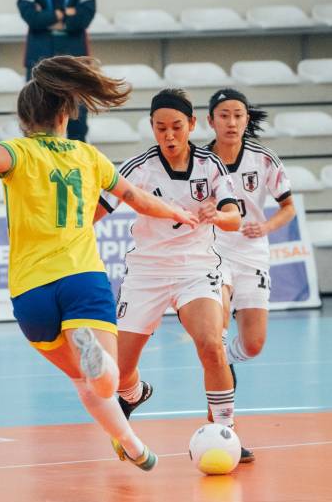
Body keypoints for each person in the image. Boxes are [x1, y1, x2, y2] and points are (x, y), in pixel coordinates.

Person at [0, 56, 198, 470]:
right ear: (66, 113)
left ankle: (132, 446)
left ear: (25, 118)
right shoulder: (87, 156)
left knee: (81, 380)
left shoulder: (18, 154)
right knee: (102, 379)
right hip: (82, 278)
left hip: (30, 290)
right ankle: (101, 367)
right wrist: (176, 212)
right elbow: (135, 198)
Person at [94, 88, 248, 461]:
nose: (169, 135)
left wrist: (218, 216)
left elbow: (234, 217)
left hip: (196, 268)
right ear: (152, 127)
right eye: (160, 127)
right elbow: (98, 209)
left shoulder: (211, 165)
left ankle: (225, 429)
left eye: (177, 126)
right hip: (146, 272)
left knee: (212, 345)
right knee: (118, 370)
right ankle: (134, 394)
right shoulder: (138, 168)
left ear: (192, 125)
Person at [204, 89, 295, 461]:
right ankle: (223, 432)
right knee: (215, 335)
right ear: (210, 120)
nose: (231, 122)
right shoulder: (199, 160)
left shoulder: (263, 159)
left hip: (252, 255)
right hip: (211, 254)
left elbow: (287, 207)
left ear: (245, 120)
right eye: (223, 115)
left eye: (238, 115)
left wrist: (267, 226)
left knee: (253, 344)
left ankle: (222, 361)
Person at [17, 0, 96, 142]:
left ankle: (79, 165)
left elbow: (85, 16)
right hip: (40, 56)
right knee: (35, 115)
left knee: (77, 118)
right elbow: (30, 16)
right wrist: (63, 13)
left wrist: (47, 16)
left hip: (73, 59)